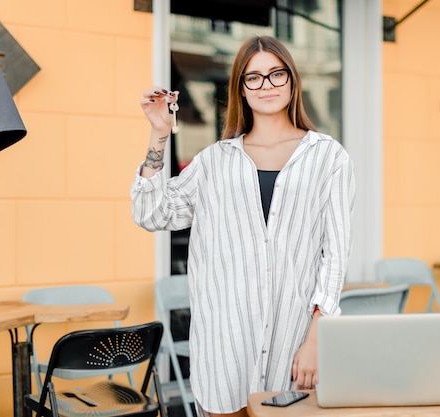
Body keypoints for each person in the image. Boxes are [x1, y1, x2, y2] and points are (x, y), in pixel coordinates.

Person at [131, 36, 355, 417]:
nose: (266, 85)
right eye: (254, 78)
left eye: (275, 74)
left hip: (295, 345)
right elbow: (152, 213)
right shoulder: (215, 161)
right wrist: (159, 133)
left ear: (292, 81)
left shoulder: (328, 157)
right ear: (241, 88)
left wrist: (318, 337)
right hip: (224, 348)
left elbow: (335, 254)